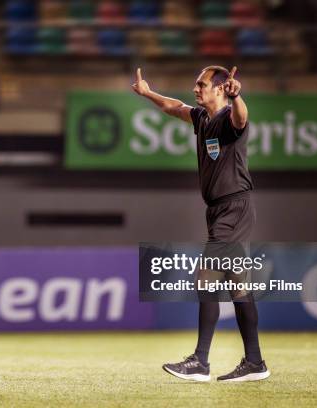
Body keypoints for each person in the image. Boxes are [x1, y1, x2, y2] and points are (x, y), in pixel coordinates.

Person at [132, 66, 270, 382]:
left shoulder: (228, 118)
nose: (196, 88)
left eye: (202, 84)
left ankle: (200, 362)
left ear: (221, 89)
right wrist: (148, 93)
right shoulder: (202, 118)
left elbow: (242, 118)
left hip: (234, 209)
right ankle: (255, 363)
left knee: (205, 279)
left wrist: (238, 97)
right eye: (196, 83)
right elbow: (174, 107)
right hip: (220, 210)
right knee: (238, 287)